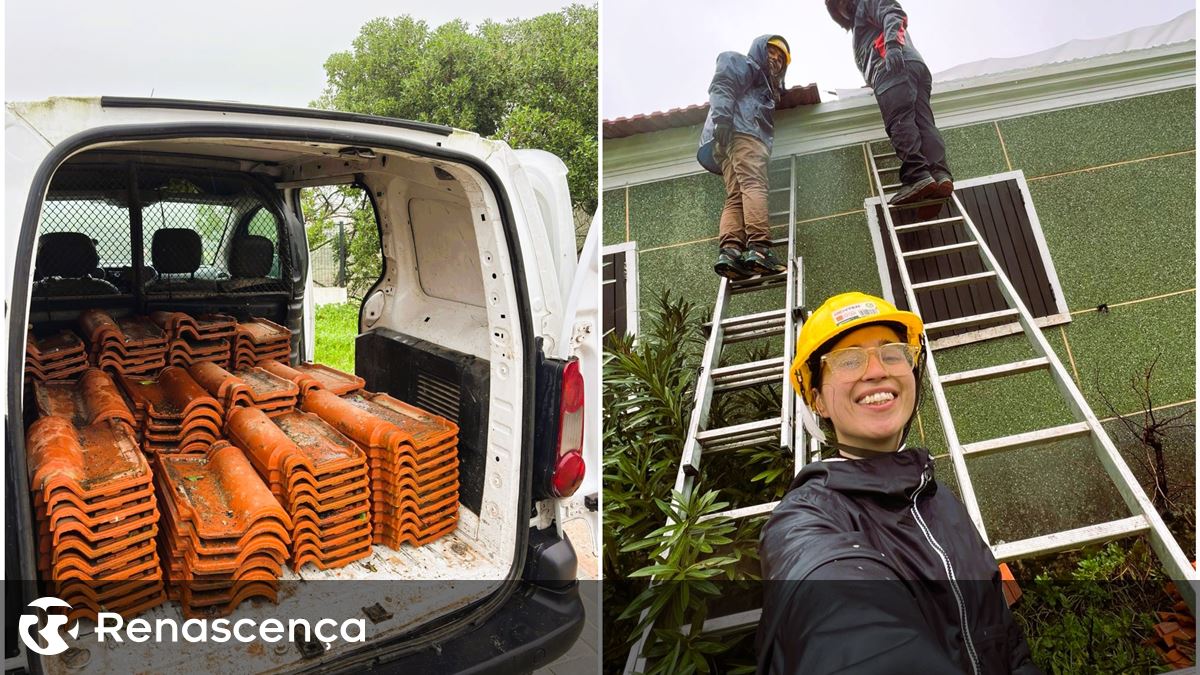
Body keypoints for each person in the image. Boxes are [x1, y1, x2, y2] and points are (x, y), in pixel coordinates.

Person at [755, 292, 1041, 674]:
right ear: (817, 400)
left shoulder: (940, 501)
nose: (876, 371)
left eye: (892, 353)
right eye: (848, 359)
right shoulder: (805, 520)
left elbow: (1005, 642)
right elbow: (843, 626)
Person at [826, 0, 953, 206]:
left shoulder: (865, 4)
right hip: (912, 66)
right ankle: (939, 174)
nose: (842, 3)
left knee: (900, 121)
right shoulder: (863, 22)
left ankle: (917, 176)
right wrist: (872, 82)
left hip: (892, 65)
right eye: (837, 4)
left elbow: (893, 12)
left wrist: (892, 45)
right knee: (923, 123)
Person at [697, 35, 791, 280]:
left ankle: (730, 252)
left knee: (736, 195)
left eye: (781, 58)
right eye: (772, 52)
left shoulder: (761, 84)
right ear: (759, 50)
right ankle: (759, 248)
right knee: (754, 185)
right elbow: (722, 84)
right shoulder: (745, 64)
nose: (776, 59)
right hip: (742, 132)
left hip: (725, 141)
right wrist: (723, 118)